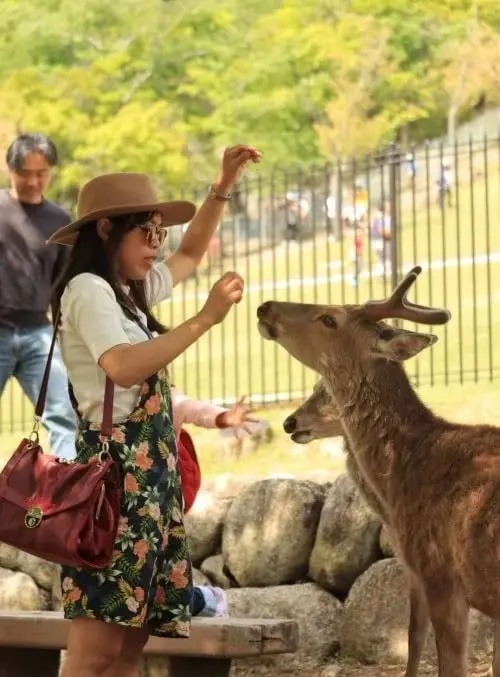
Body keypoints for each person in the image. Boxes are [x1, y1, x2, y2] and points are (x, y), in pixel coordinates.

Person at [50, 144, 261, 677]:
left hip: (150, 487)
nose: (156, 243)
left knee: (127, 651)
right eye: (144, 231)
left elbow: (190, 255)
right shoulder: (88, 290)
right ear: (105, 231)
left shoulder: (126, 288)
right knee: (95, 651)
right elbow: (121, 366)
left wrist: (222, 186)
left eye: (158, 232)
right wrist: (204, 319)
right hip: (114, 484)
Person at [0, 133, 76, 458]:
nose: (33, 181)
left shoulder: (60, 222)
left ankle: (69, 501)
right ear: (9, 169)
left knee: (63, 417)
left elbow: (63, 283)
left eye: (41, 173)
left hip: (39, 336)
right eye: (25, 172)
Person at [173, 389, 264, 618]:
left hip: (159, 501)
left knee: (168, 586)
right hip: (117, 503)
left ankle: (207, 601)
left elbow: (194, 409)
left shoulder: (160, 394)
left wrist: (225, 417)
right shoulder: (98, 395)